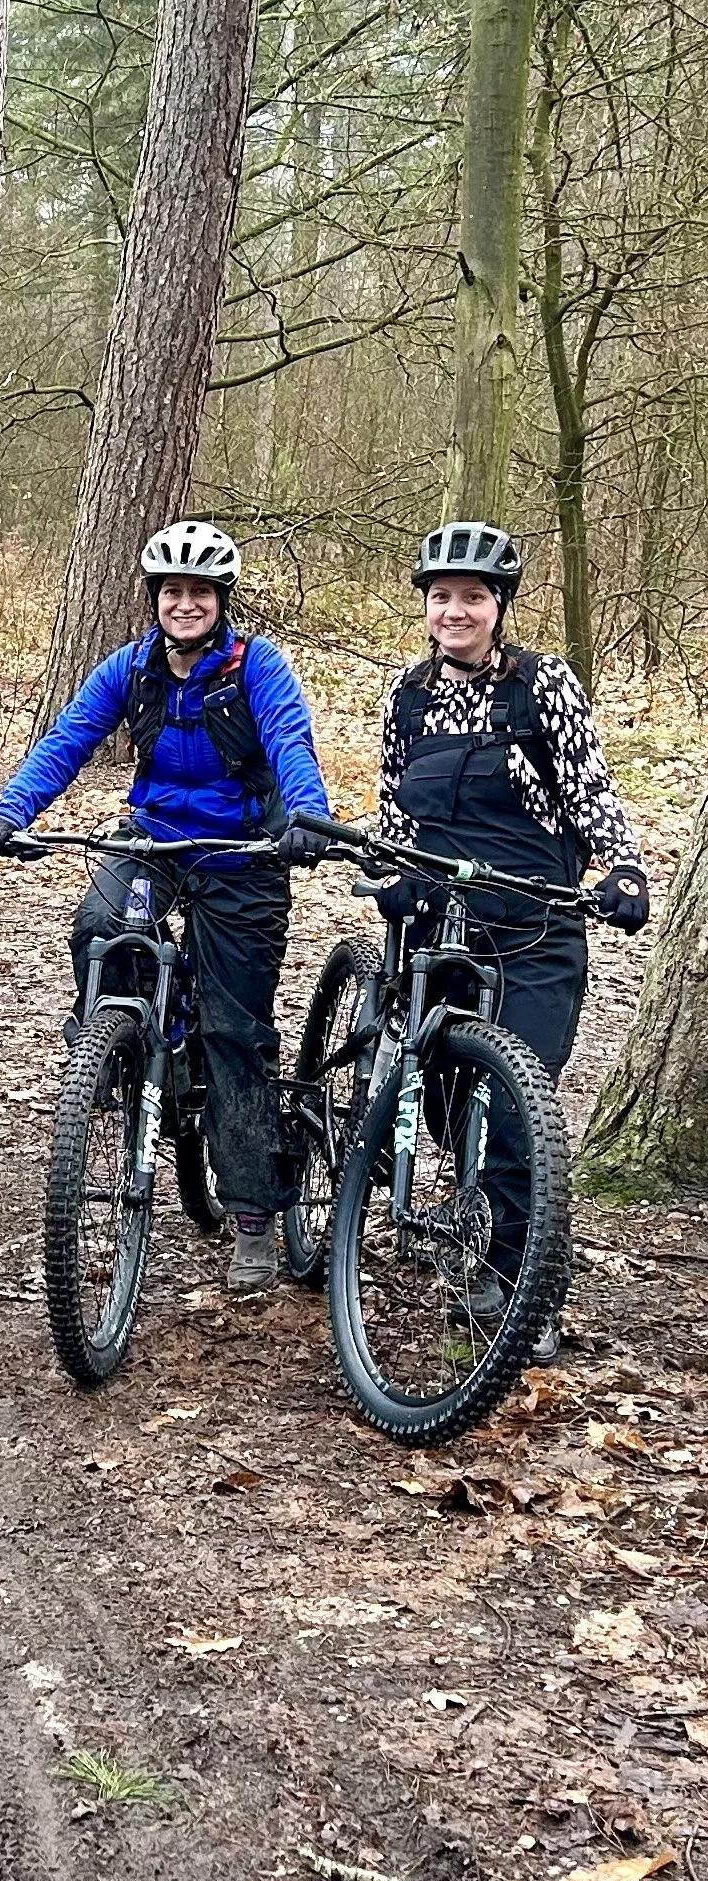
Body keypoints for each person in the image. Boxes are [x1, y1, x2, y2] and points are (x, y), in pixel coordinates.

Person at [0, 521, 331, 1293]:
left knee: (235, 1032)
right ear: (154, 599)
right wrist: (10, 811)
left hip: (244, 855)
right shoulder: (130, 668)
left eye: (199, 592)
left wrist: (303, 816)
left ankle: (250, 1217)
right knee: (101, 921)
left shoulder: (256, 667)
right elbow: (66, 741)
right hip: (155, 840)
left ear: (220, 601)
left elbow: (291, 744)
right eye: (172, 591)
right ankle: (121, 1040)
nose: (185, 603)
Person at [374, 520, 649, 1358]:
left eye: (472, 598)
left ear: (498, 607)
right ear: (425, 606)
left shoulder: (542, 685)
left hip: (531, 921)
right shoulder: (408, 695)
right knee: (454, 1103)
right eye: (441, 597)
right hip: (436, 920)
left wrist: (622, 869)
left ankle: (528, 1289)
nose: (454, 611)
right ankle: (482, 1251)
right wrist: (386, 867)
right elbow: (393, 801)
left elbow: (590, 790)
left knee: (520, 1106)